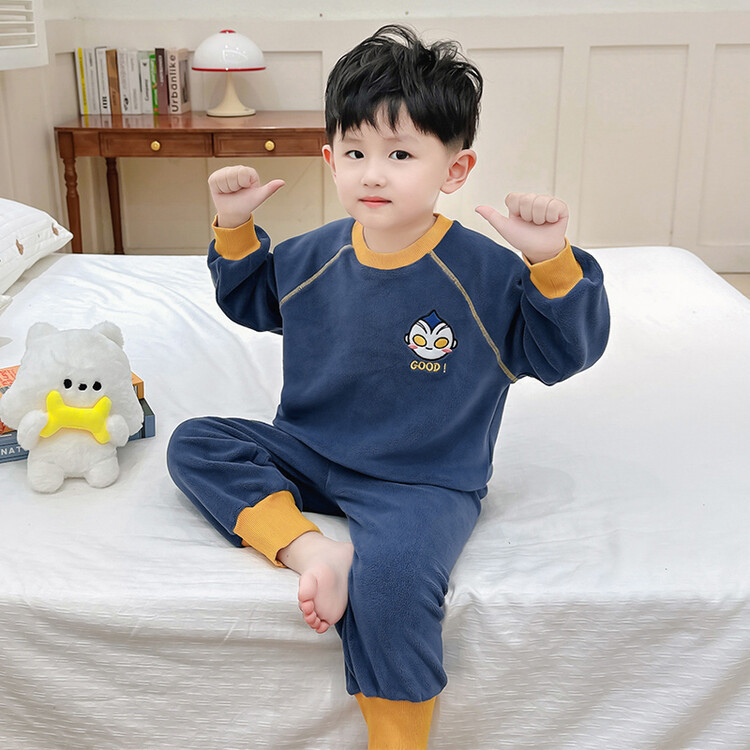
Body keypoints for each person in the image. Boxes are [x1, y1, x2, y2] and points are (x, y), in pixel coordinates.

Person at [167, 24, 609, 750]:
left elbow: (563, 353)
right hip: (310, 453)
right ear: (329, 160)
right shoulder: (311, 255)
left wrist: (552, 263)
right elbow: (251, 299)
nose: (373, 174)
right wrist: (235, 227)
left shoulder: (487, 275)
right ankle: (314, 552)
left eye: (400, 154)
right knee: (195, 442)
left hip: (424, 480)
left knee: (396, 583)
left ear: (454, 170)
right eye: (355, 153)